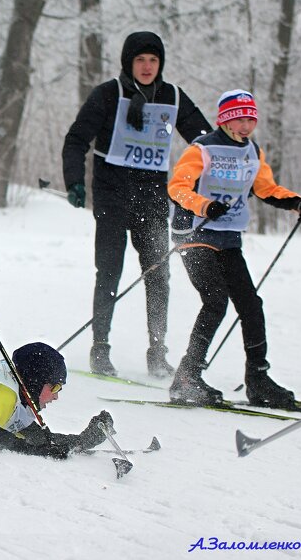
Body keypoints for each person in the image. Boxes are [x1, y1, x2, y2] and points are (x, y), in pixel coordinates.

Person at [62, 31, 211, 378]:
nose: (147, 67)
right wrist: (74, 182)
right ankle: (101, 348)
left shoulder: (172, 97)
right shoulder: (108, 94)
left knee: (159, 276)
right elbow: (76, 139)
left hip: (153, 200)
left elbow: (205, 146)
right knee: (109, 273)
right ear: (129, 62)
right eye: (140, 60)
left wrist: (202, 190)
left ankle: (157, 352)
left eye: (153, 60)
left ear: (161, 64)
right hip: (112, 196)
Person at [166, 90, 301, 407]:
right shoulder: (202, 149)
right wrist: (204, 205)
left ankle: (258, 379)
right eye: (239, 118)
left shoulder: (252, 151)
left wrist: (297, 203)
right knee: (216, 301)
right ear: (224, 119)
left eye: (251, 119)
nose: (246, 125)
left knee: (251, 305)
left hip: (229, 237)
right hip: (195, 232)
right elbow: (177, 187)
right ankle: (186, 378)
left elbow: (266, 189)